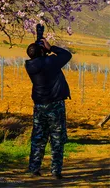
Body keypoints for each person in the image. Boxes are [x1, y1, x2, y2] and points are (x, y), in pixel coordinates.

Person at [25, 37, 72, 179]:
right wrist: (51, 48)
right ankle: (56, 171)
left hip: (39, 106)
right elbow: (67, 55)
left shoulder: (30, 65)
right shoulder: (49, 62)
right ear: (42, 51)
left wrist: (41, 50)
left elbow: (39, 57)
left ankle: (34, 168)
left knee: (38, 137)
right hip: (55, 105)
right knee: (57, 138)